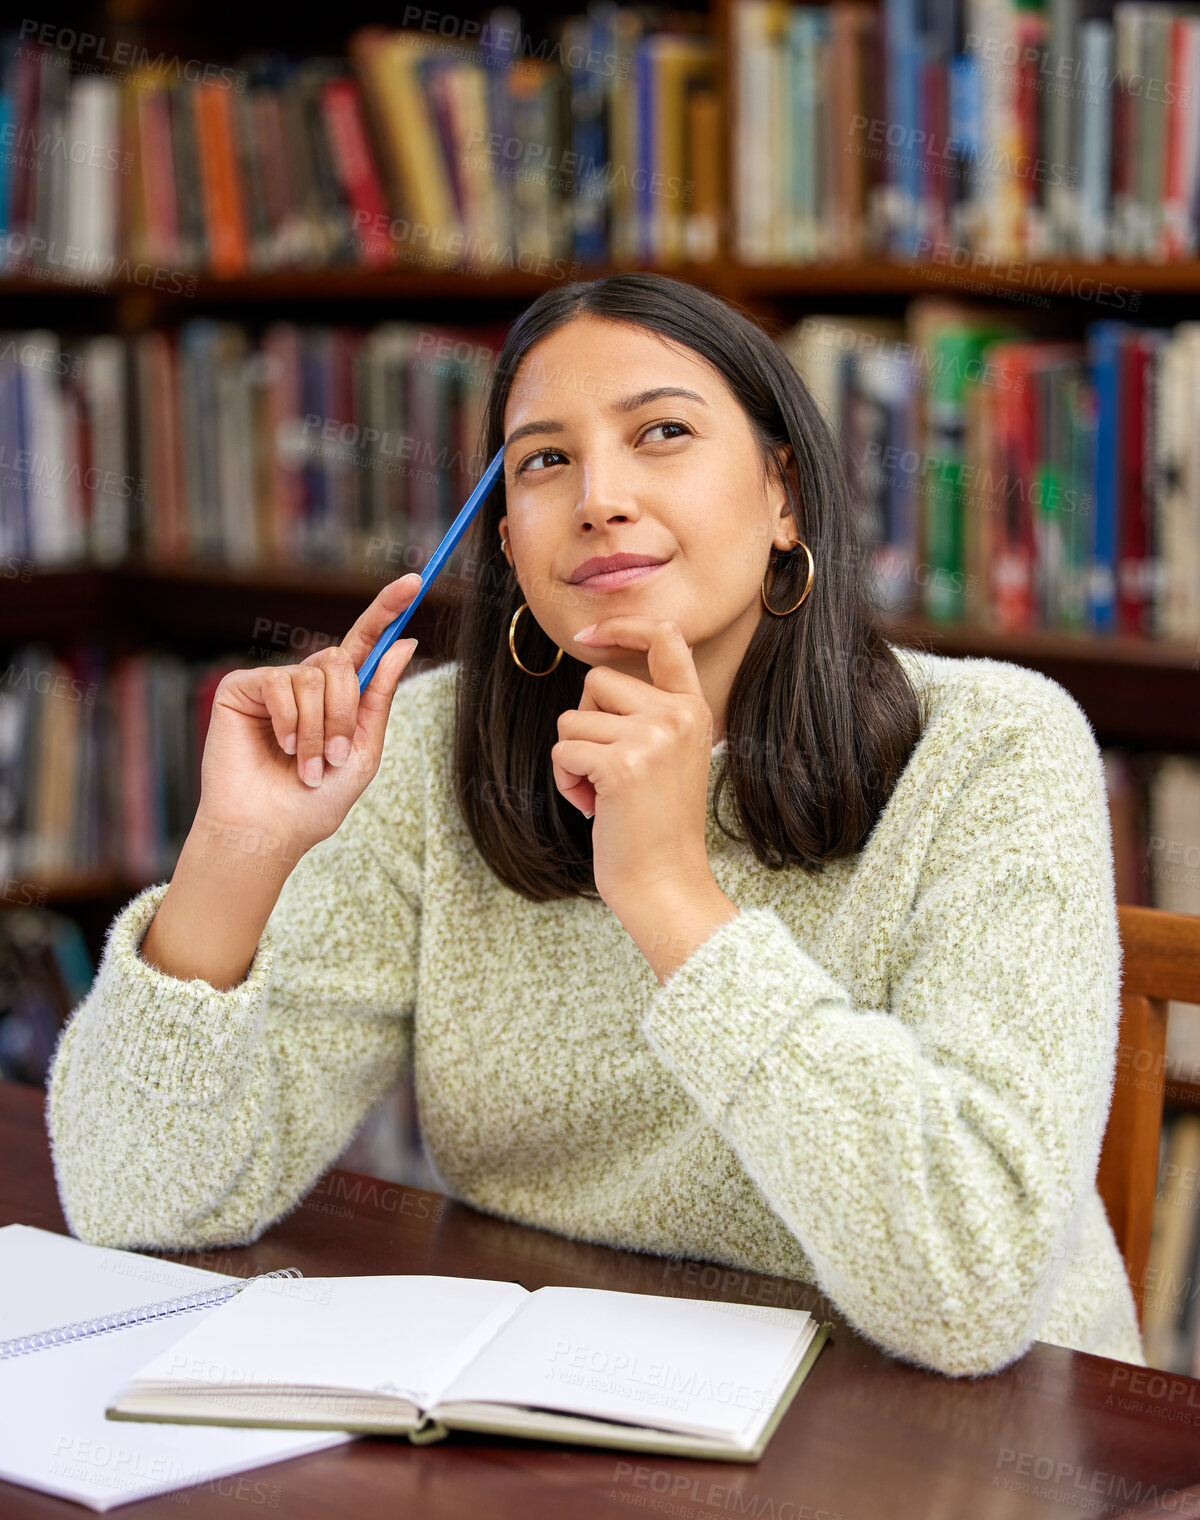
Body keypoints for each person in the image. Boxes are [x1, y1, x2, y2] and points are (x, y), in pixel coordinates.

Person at [44, 273, 1145, 1377]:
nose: (599, 498)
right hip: (577, 1410)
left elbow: (969, 1288)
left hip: (945, 1452)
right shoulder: (429, 748)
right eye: (543, 460)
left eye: (662, 431)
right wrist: (238, 851)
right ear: (511, 547)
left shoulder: (995, 745)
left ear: (785, 496)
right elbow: (138, 1200)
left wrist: (673, 899)